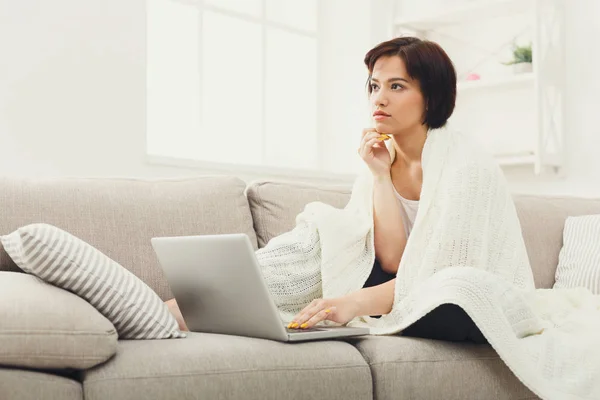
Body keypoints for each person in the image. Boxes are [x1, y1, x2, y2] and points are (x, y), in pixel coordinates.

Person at [166, 37, 487, 344]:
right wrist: (379, 175)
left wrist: (353, 302)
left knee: (452, 297)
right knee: (317, 243)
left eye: (396, 86)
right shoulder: (383, 159)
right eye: (374, 86)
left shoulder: (464, 166)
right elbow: (390, 259)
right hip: (385, 276)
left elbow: (441, 273)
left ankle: (179, 310)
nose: (379, 98)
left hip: (429, 287)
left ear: (431, 97)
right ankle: (171, 309)